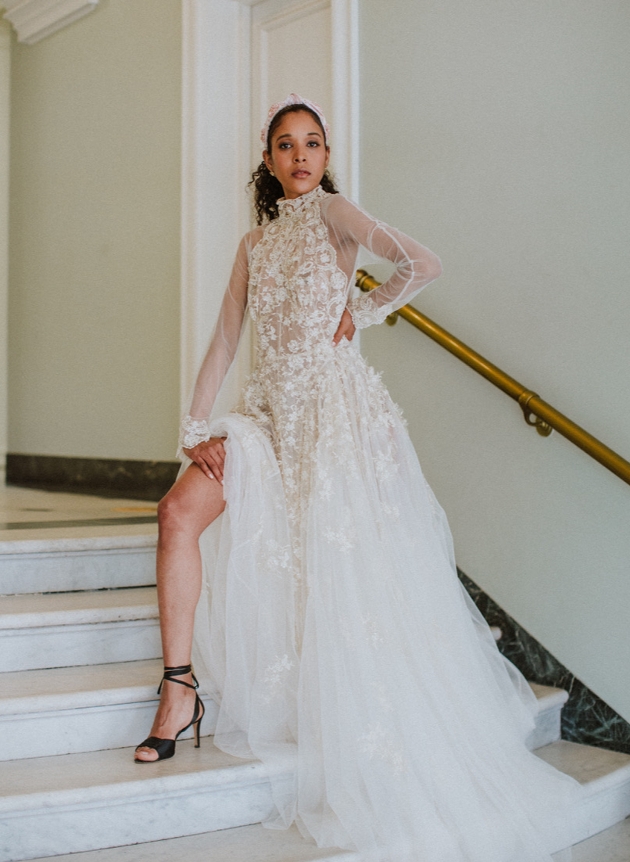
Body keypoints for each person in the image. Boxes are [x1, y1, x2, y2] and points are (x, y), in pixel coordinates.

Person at [135, 94, 582, 862]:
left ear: (326, 155)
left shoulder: (337, 215)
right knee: (179, 512)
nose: (301, 155)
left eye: (313, 143)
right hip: (266, 420)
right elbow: (223, 340)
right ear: (269, 160)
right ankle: (179, 690)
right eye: (286, 144)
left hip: (335, 420)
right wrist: (194, 427)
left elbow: (422, 264)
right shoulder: (252, 245)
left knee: (342, 569)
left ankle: (343, 708)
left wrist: (363, 312)